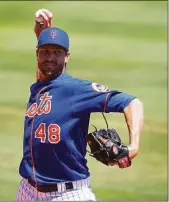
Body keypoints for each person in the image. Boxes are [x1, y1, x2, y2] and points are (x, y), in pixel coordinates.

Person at [15, 8, 144, 201]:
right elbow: (45, 79)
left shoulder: (76, 89)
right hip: (27, 190)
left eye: (57, 52)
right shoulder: (39, 88)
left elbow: (132, 103)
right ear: (37, 54)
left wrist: (134, 145)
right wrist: (40, 34)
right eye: (45, 52)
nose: (50, 57)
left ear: (67, 56)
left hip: (68, 193)